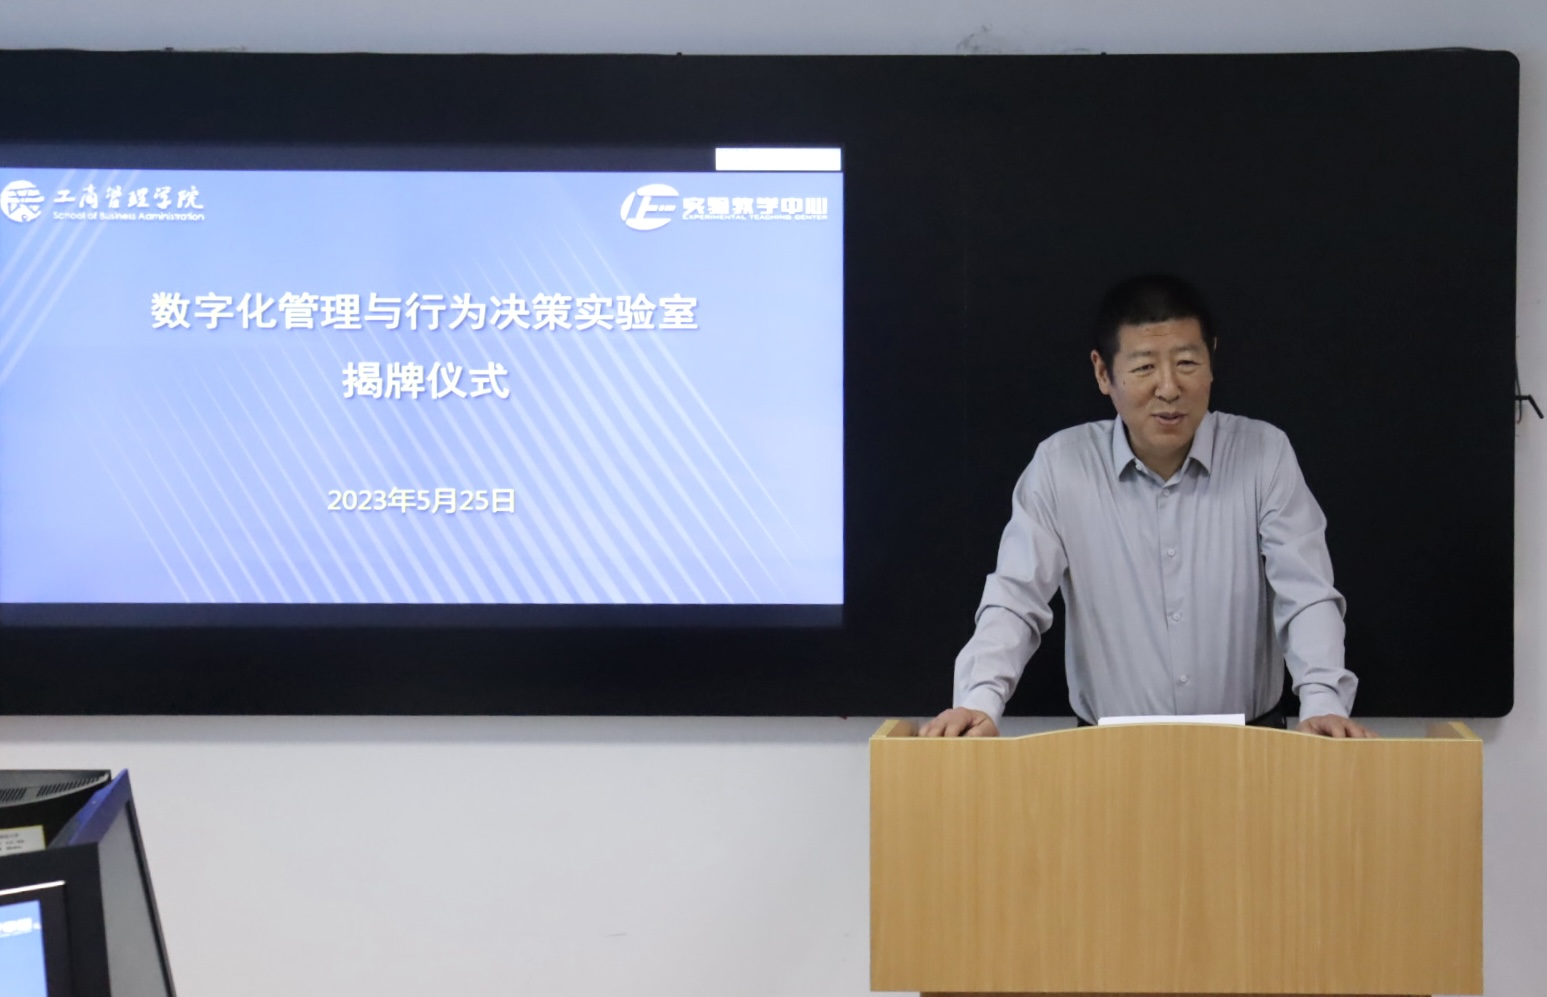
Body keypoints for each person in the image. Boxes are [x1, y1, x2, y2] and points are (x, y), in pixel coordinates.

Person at [921, 275, 1374, 739]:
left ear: (1212, 361)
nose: (1169, 388)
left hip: (1251, 748)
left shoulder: (1264, 454)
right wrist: (979, 700)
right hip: (1106, 752)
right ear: (1103, 373)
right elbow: (1016, 599)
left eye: (1187, 363)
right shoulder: (1061, 466)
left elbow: (1306, 592)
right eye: (1144, 368)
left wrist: (1322, 700)